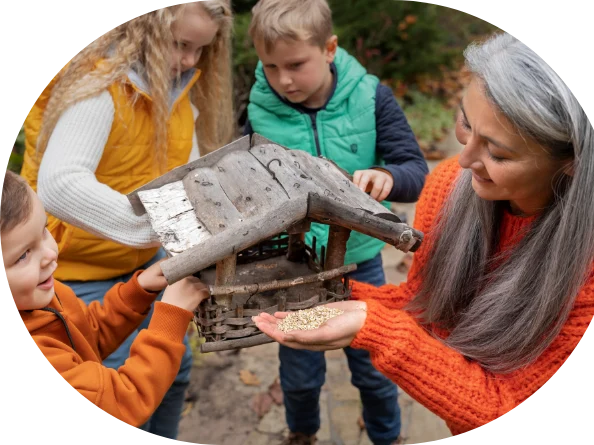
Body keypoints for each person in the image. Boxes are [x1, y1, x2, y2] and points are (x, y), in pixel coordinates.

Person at [253, 31, 594, 437]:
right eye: (465, 123)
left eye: (497, 152)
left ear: (573, 162)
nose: (463, 159)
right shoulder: (449, 188)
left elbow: (502, 404)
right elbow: (424, 305)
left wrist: (378, 331)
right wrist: (323, 294)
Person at [19, 1, 234, 439]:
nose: (192, 60)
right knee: (126, 394)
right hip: (72, 278)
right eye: (181, 45)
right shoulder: (101, 87)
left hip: (137, 271)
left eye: (201, 49)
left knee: (173, 367)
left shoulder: (178, 93)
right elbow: (59, 184)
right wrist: (151, 228)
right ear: (146, 28)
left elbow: (185, 179)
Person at [243, 1, 428, 444]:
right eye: (270, 66)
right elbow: (244, 181)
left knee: (376, 368)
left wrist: (386, 176)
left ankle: (388, 436)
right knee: (301, 370)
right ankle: (302, 433)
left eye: (296, 64)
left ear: (329, 49)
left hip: (362, 262)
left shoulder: (371, 97)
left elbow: (414, 169)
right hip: (296, 270)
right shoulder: (256, 108)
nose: (283, 79)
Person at [1, 170, 210, 428]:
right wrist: (171, 315)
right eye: (22, 255)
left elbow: (88, 336)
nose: (49, 255)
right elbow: (123, 403)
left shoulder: (45, 295)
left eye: (43, 232)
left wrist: (138, 291)